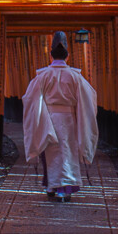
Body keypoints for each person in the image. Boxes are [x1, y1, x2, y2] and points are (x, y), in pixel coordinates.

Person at [22, 30, 99, 202]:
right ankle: (66, 189)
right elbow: (89, 98)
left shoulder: (43, 76)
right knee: (68, 152)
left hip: (47, 118)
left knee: (49, 151)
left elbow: (31, 99)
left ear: (50, 55)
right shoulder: (75, 76)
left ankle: (51, 186)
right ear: (68, 56)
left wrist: (38, 119)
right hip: (69, 120)